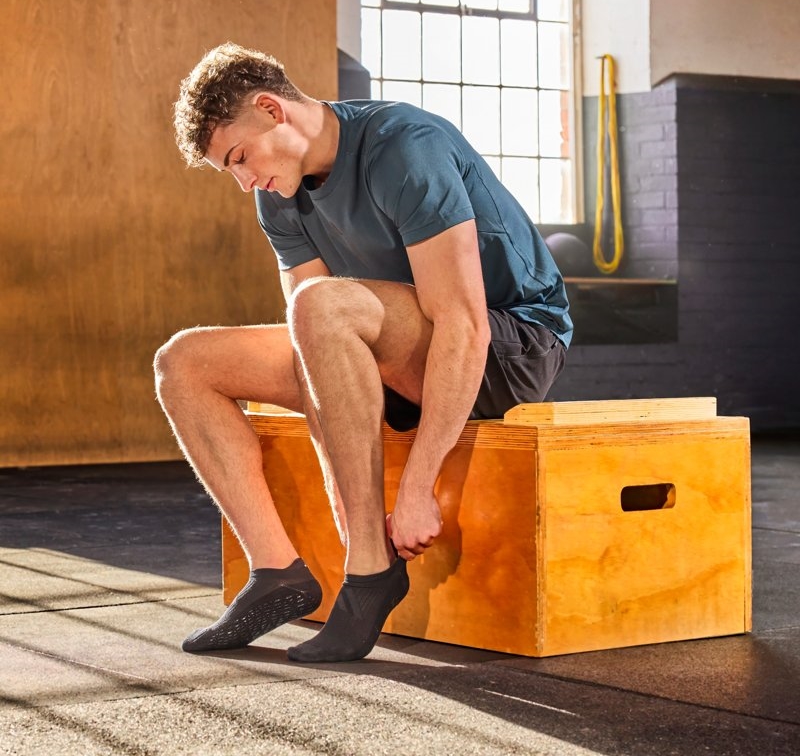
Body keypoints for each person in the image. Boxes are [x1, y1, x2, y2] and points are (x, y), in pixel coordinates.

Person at [155, 42, 572, 663]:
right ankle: (276, 572)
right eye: (229, 172)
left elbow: (462, 323)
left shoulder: (404, 147)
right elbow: (313, 350)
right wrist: (344, 496)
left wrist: (418, 487)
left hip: (509, 348)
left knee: (322, 303)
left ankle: (371, 572)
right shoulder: (277, 195)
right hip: (385, 352)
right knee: (184, 362)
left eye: (240, 157)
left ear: (272, 109)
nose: (244, 181)